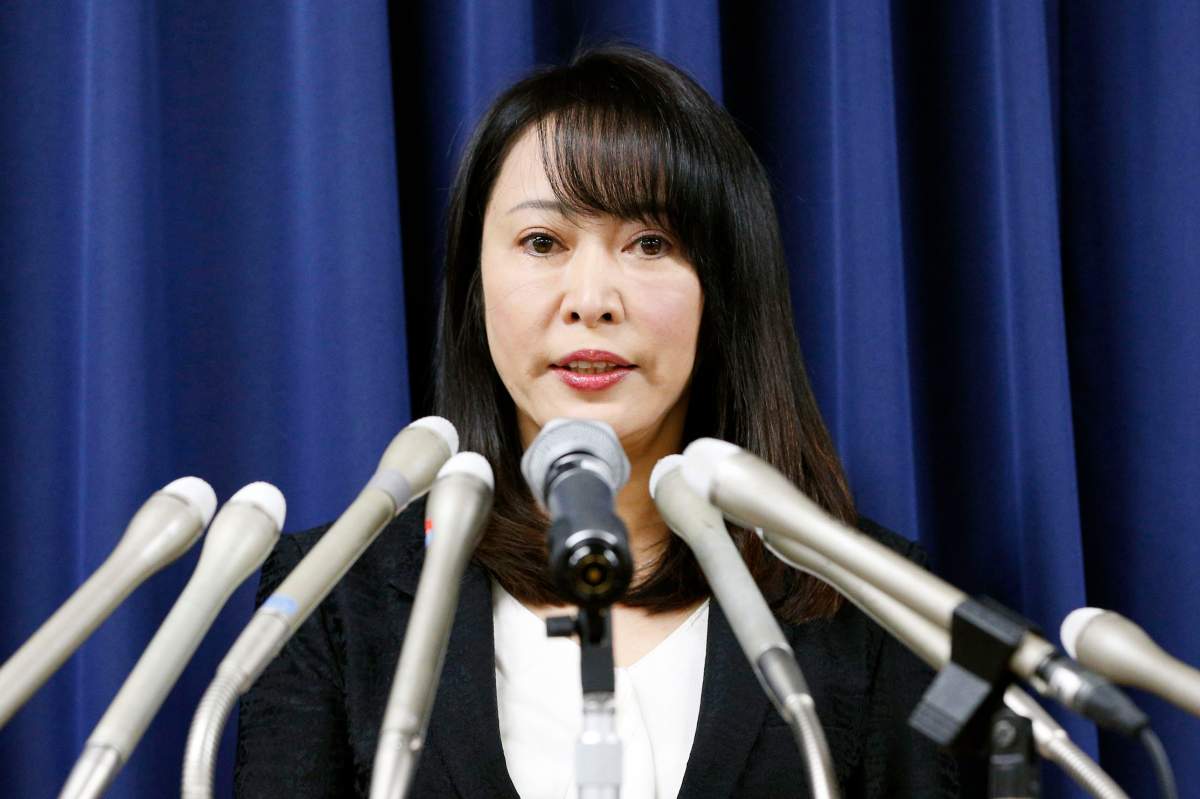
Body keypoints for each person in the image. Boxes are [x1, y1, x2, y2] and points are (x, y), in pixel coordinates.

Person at [235, 45, 958, 798]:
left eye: (650, 243)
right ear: (475, 285)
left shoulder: (878, 604)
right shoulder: (330, 597)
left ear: (724, 288)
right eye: (542, 243)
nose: (591, 300)